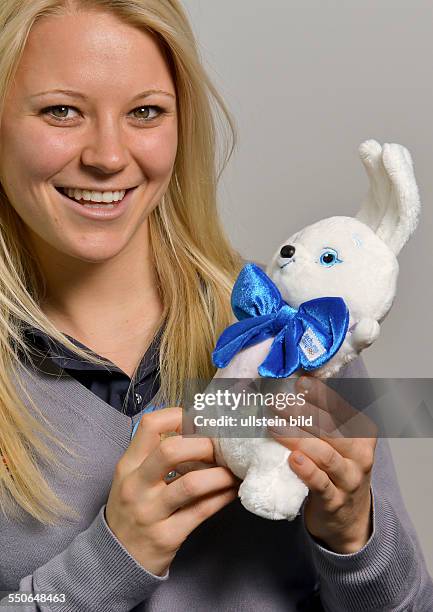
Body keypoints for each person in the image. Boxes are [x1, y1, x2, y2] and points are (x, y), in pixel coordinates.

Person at [0, 1, 431, 610]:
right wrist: (102, 567)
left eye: (145, 112)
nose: (107, 155)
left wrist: (354, 537)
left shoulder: (294, 332)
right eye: (61, 111)